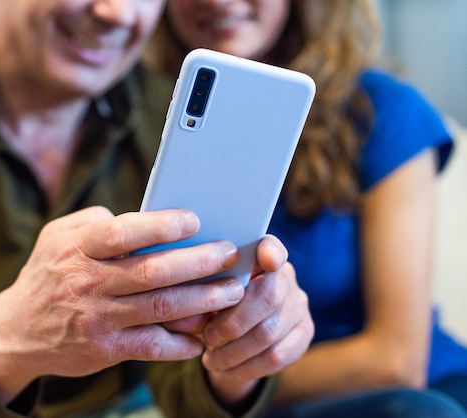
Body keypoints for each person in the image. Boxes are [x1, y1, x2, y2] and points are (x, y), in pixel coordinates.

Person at [0, 0, 315, 417]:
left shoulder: (170, 122)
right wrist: (10, 340)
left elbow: (180, 374)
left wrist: (237, 361)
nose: (117, 12)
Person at [142, 0, 467, 417]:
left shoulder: (383, 112)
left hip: (413, 391)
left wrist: (231, 378)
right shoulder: (147, 129)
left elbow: (397, 359)